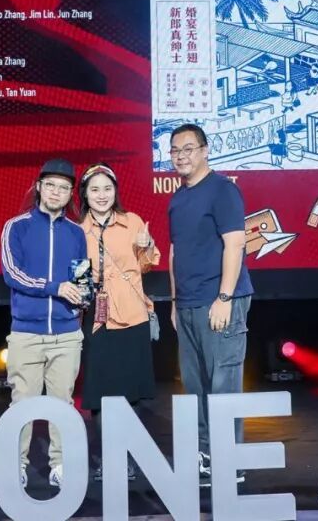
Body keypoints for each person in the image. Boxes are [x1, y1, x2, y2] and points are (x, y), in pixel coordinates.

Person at [167, 123, 254, 486]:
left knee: (223, 385)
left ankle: (230, 463)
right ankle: (206, 456)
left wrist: (224, 297)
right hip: (188, 305)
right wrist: (175, 302)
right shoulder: (178, 198)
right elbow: (175, 252)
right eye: (175, 150)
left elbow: (235, 243)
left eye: (188, 148)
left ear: (205, 151)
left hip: (218, 302)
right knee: (196, 386)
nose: (181, 156)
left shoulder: (222, 190)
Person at [0, 158, 88, 489]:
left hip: (67, 334)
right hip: (27, 333)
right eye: (50, 185)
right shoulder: (16, 227)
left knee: (62, 404)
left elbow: (81, 277)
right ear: (38, 187)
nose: (56, 192)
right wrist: (55, 287)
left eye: (63, 188)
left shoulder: (76, 233)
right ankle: (16, 466)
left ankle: (61, 465)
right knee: (22, 404)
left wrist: (84, 295)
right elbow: (13, 274)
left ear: (70, 194)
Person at [76, 163, 160, 481]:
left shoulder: (132, 221)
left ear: (116, 192)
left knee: (131, 393)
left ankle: (127, 458)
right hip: (97, 320)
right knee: (100, 394)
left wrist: (146, 246)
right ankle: (109, 458)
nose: (102, 195)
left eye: (108, 189)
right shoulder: (77, 231)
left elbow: (146, 265)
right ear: (85, 194)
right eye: (95, 189)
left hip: (133, 317)